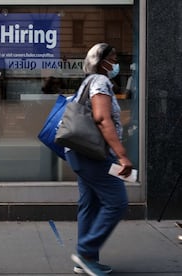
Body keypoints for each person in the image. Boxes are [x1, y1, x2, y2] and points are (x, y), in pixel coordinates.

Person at [66, 43, 133, 276]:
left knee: (90, 204)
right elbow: (102, 118)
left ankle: (86, 260)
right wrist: (122, 155)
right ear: (100, 60)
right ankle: (86, 251)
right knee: (117, 202)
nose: (115, 64)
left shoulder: (88, 82)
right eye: (113, 59)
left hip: (80, 153)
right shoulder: (100, 82)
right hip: (93, 154)